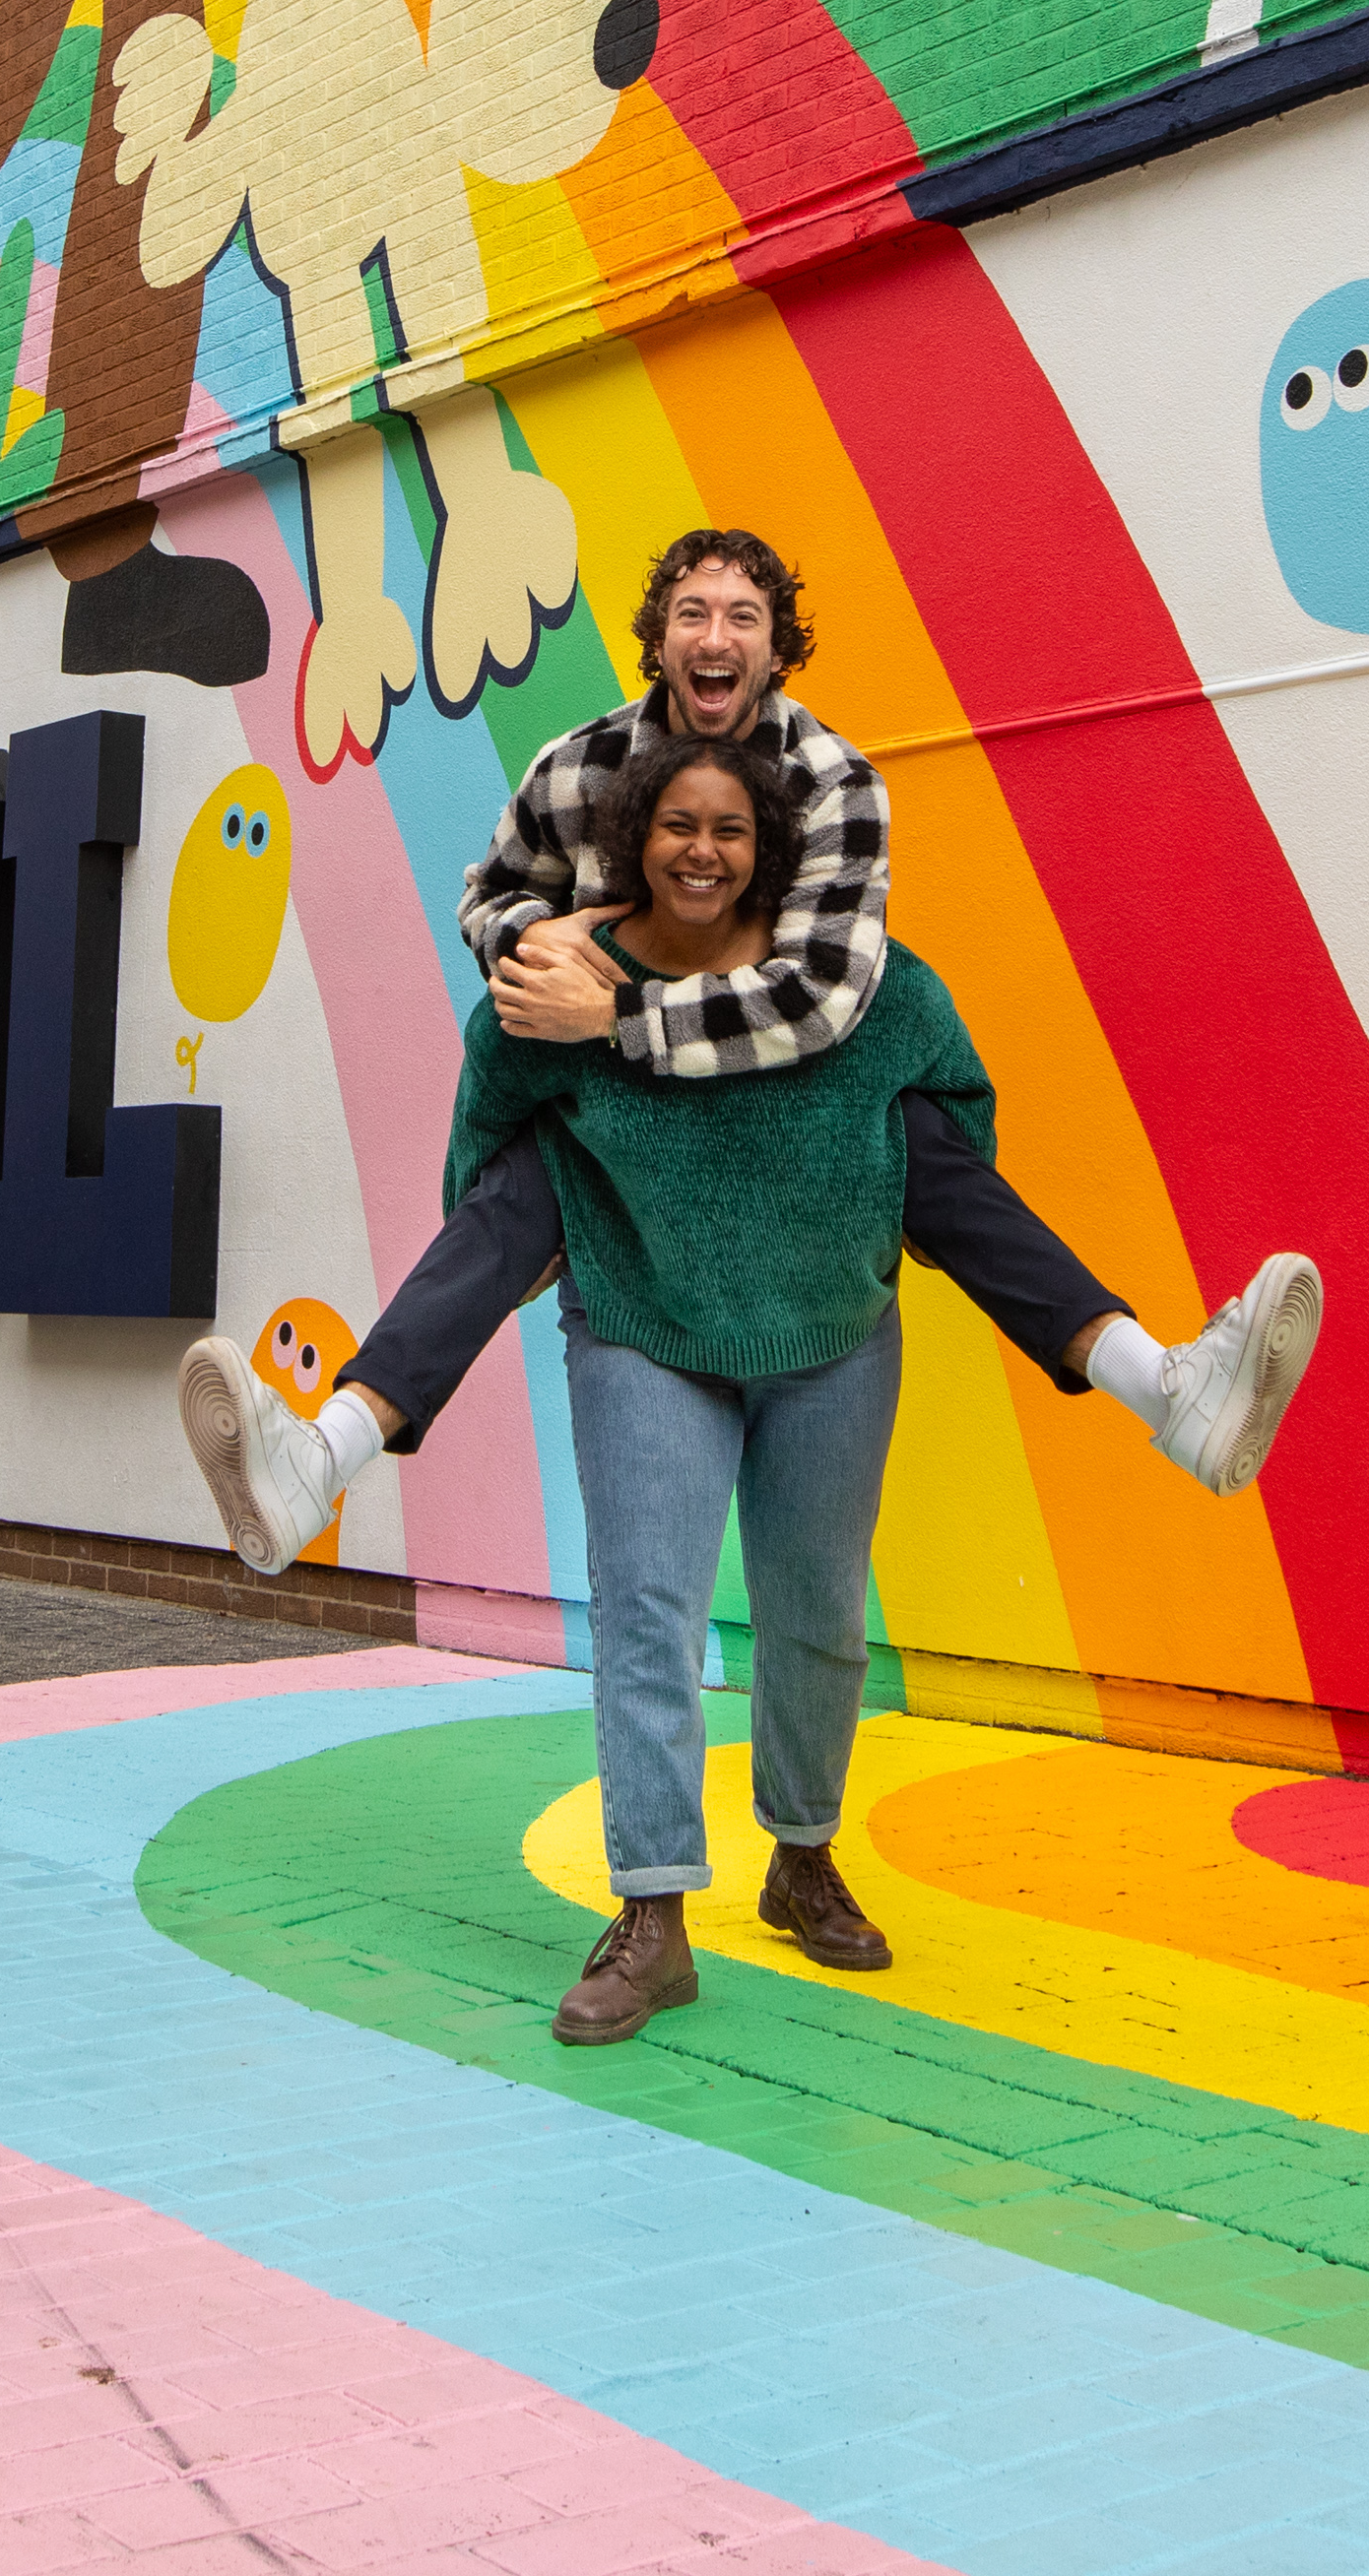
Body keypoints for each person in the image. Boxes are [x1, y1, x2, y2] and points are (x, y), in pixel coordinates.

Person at [181, 525, 1320, 1572]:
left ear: (777, 649)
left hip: (797, 1117)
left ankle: (1167, 1388)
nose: (715, 634)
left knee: (925, 1150)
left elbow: (819, 996)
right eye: (693, 611)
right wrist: (537, 940)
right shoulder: (575, 768)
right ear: (660, 639)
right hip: (630, 1138)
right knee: (516, 1198)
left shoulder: (839, 785)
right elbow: (492, 894)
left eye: (743, 615)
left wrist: (612, 1016)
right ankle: (318, 1460)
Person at [453, 732, 972, 2041]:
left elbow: (952, 1091)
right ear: (633, 840)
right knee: (647, 1611)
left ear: (775, 852)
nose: (701, 849)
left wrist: (910, 1218)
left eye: (730, 829)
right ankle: (653, 1919)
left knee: (818, 1612)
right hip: (642, 1319)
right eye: (676, 824)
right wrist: (493, 1230)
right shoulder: (574, 977)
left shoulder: (849, 981)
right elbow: (492, 1079)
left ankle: (803, 1856)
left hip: (829, 1324)